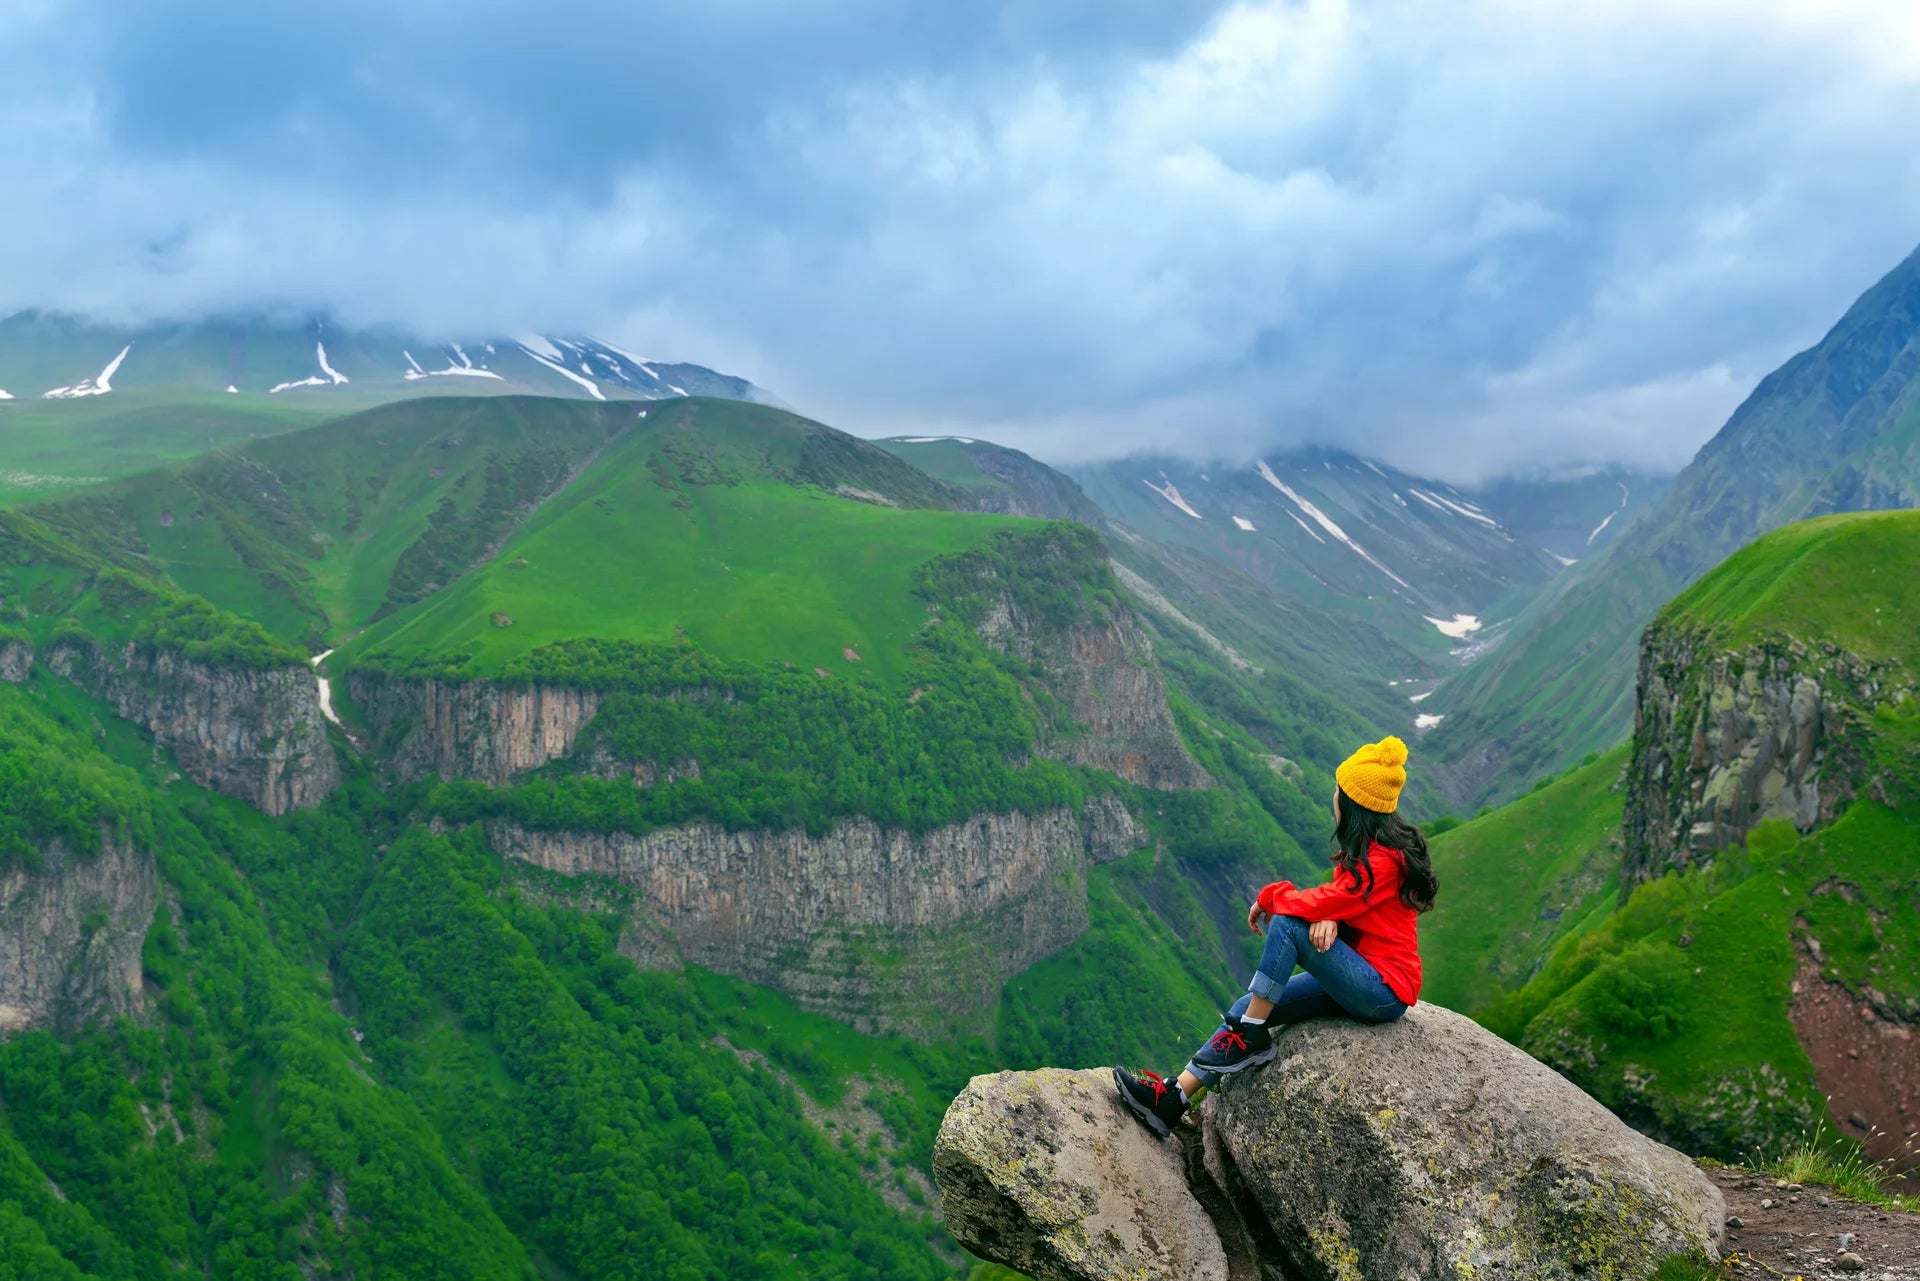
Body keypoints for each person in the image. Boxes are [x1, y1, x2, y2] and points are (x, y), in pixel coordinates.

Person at [1114, 735, 1438, 1137]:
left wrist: (1273, 896)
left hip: (1383, 990)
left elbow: (1327, 901)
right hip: (1358, 975)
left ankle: (1249, 1036)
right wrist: (1335, 919)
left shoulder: (1381, 862)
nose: (1332, 797)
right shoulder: (1368, 851)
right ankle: (1173, 1100)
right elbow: (1351, 905)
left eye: (1338, 791)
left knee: (1285, 925)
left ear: (1353, 806)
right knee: (1248, 1005)